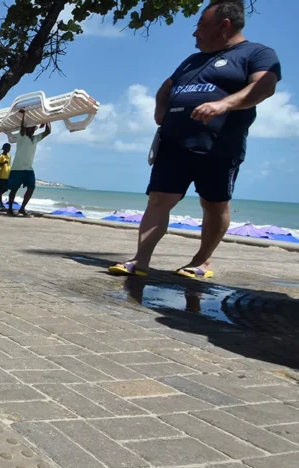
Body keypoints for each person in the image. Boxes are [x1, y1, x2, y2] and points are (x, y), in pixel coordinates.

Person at [110, 0, 280, 279]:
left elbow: (265, 86)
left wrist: (224, 105)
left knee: (214, 204)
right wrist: (161, 112)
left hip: (219, 146)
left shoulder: (256, 53)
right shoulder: (192, 61)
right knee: (158, 200)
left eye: (201, 25)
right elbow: (166, 88)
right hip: (174, 143)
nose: (195, 33)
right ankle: (140, 261)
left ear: (224, 25)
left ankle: (202, 261)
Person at [6, 110, 50, 217]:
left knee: (31, 187)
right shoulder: (21, 136)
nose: (31, 129)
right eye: (30, 127)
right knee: (14, 189)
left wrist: (48, 119)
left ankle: (22, 208)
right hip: (17, 168)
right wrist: (24, 114)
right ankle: (10, 209)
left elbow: (48, 131)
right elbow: (23, 127)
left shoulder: (35, 139)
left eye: (33, 128)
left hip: (29, 169)